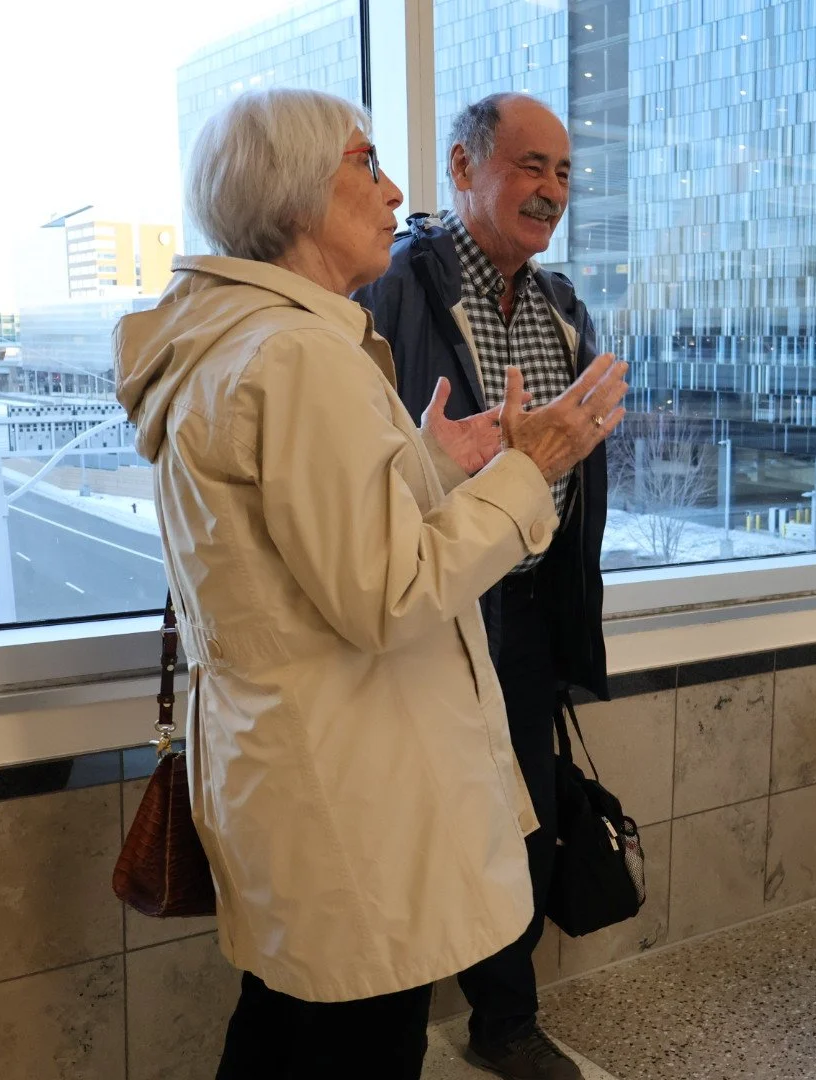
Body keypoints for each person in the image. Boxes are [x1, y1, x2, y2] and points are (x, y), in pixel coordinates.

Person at [112, 87, 627, 1080]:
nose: (396, 189)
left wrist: (425, 468)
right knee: (350, 1043)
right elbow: (388, 594)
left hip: (293, 766)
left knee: (281, 1029)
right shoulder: (304, 354)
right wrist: (530, 470)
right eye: (367, 163)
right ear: (298, 190)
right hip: (349, 786)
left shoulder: (236, 340)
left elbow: (290, 552)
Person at [355, 92, 608, 1080]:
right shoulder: (392, 291)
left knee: (524, 821)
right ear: (462, 170)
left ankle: (505, 1018)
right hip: (434, 601)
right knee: (425, 825)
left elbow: (575, 463)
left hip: (533, 605)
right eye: (529, 165)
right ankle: (394, 1035)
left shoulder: (562, 306)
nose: (551, 190)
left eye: (564, 172)